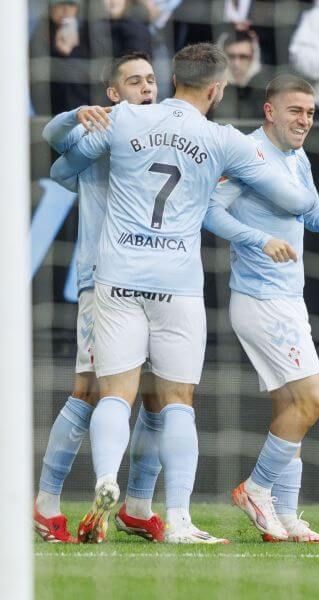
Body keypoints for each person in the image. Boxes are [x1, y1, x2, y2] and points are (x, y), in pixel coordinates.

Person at [49, 43, 319, 544]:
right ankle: (177, 519)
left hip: (117, 276)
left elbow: (63, 165)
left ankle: (106, 480)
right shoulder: (223, 139)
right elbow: (294, 199)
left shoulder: (126, 118)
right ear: (216, 89)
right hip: (176, 285)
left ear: (172, 78)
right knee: (177, 401)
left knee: (116, 392)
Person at [203, 74, 319, 543]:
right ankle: (256, 488)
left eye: (309, 112)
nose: (304, 120)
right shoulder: (246, 153)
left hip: (288, 297)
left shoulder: (297, 157)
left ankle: (286, 517)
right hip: (261, 299)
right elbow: (209, 210)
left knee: (292, 408)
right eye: (295, 111)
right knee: (314, 398)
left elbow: (312, 214)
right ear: (270, 111)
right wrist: (258, 239)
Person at [35, 52, 166, 544]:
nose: (146, 87)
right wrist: (77, 115)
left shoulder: (167, 131)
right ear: (114, 93)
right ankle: (46, 503)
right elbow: (57, 149)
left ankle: (137, 506)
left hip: (160, 281)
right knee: (89, 390)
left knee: (158, 393)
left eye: (151, 80)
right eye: (134, 81)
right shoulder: (100, 130)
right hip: (103, 280)